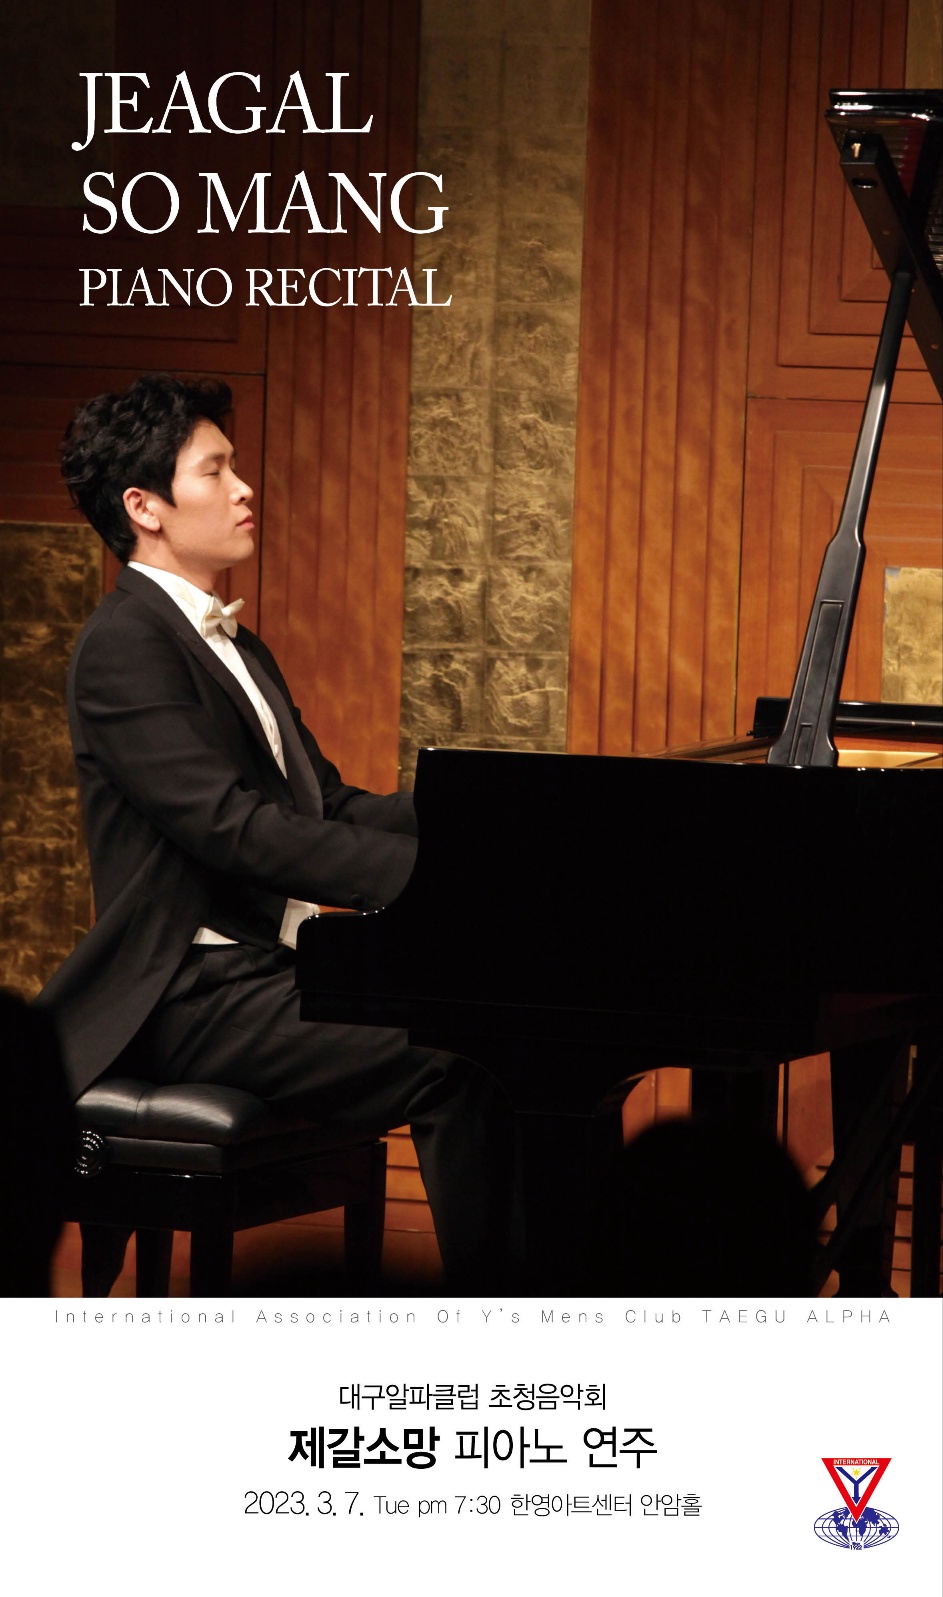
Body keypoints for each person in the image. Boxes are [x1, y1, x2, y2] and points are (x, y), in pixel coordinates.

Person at [37, 372, 514, 1291]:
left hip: (271, 974)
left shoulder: (235, 645)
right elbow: (235, 830)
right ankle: (507, 1318)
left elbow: (323, 805)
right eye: (214, 470)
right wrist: (432, 877)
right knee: (460, 1061)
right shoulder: (125, 643)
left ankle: (548, 1299)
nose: (243, 487)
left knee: (502, 1039)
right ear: (144, 508)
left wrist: (491, 823)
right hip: (187, 992)